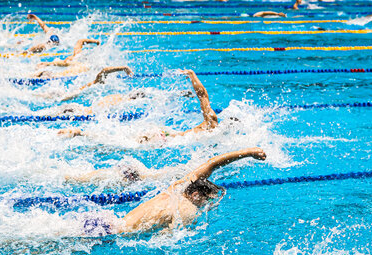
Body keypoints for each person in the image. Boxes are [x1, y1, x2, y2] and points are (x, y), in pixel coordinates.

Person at [78, 148, 267, 236]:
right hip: (110, 235)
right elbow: (167, 238)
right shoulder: (187, 209)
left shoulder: (174, 189)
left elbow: (212, 164)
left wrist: (249, 152)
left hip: (105, 220)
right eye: (205, 201)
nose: (204, 205)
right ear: (195, 195)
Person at [58, 69, 219, 143]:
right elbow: (202, 95)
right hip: (164, 139)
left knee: (121, 140)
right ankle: (81, 133)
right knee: (119, 143)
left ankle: (82, 133)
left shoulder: (208, 123)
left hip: (163, 133)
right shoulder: (210, 126)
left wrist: (192, 75)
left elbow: (203, 95)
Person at [34, 38, 101, 79]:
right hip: (64, 76)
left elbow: (80, 41)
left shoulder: (76, 59)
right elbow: (80, 41)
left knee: (43, 74)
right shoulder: (79, 59)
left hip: (61, 76)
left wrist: (96, 41)